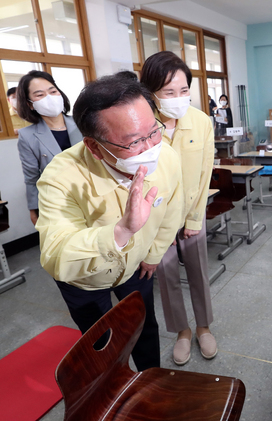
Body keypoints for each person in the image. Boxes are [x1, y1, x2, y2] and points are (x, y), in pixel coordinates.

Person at [36, 72, 184, 371]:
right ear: (93, 146)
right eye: (133, 142)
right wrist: (120, 232)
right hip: (86, 280)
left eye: (153, 132)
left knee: (144, 328)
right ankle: (114, 397)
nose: (150, 148)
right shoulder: (61, 176)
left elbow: (172, 210)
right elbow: (55, 255)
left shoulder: (165, 155)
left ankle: (149, 383)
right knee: (102, 345)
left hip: (138, 267)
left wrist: (153, 255)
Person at [140, 51, 216, 366]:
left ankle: (203, 327)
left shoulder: (200, 121)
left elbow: (205, 173)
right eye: (169, 92)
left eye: (183, 91)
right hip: (156, 221)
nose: (178, 98)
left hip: (191, 215)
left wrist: (195, 218)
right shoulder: (142, 126)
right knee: (167, 278)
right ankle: (182, 331)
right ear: (151, 93)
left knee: (198, 273)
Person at [16, 71, 83, 226]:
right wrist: (34, 208)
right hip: (59, 201)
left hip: (92, 193)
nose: (49, 97)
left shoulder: (81, 123)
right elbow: (32, 177)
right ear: (30, 103)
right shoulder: (27, 135)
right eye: (39, 95)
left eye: (53, 91)